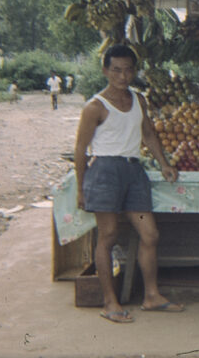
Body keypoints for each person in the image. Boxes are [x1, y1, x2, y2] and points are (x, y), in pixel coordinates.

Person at [74, 44, 183, 323]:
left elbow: (148, 134)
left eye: (128, 70)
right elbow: (80, 149)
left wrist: (164, 163)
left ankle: (152, 296)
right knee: (108, 236)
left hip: (134, 173)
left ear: (135, 71)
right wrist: (80, 188)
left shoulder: (139, 100)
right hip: (105, 173)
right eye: (116, 70)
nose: (123, 76)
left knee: (150, 234)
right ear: (105, 71)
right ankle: (110, 302)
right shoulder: (95, 107)